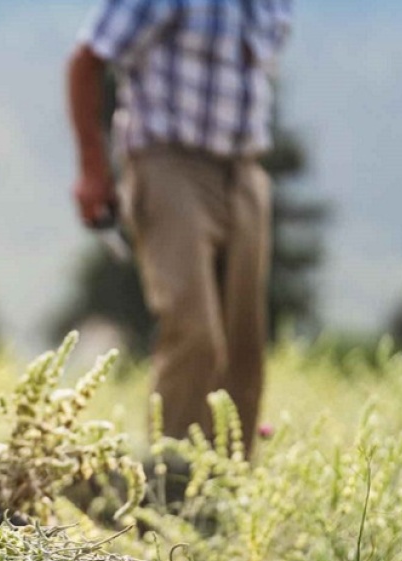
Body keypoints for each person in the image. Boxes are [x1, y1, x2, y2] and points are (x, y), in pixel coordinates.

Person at [67, 0, 292, 457]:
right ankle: (174, 485)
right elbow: (87, 60)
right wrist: (94, 168)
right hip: (168, 162)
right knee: (195, 331)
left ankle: (229, 481)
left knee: (244, 340)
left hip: (245, 167)